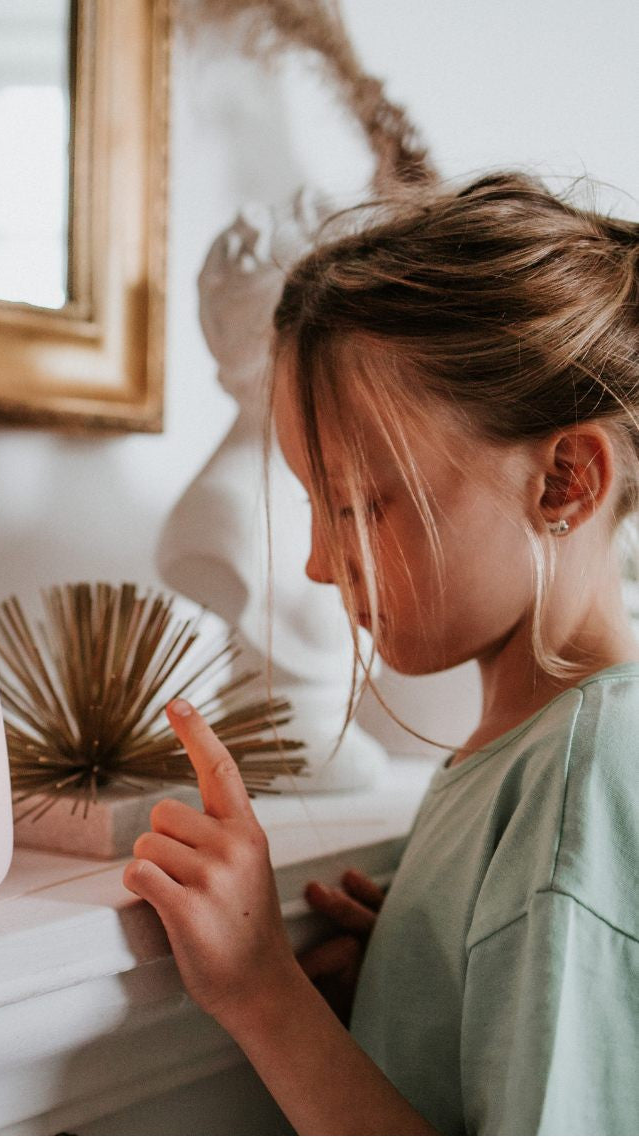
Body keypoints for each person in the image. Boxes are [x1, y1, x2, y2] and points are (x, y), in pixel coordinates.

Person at [123, 171, 639, 1135]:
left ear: (564, 479)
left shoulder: (581, 774)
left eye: (358, 504)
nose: (319, 562)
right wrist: (420, 984)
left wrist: (261, 994)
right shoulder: (533, 753)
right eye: (312, 505)